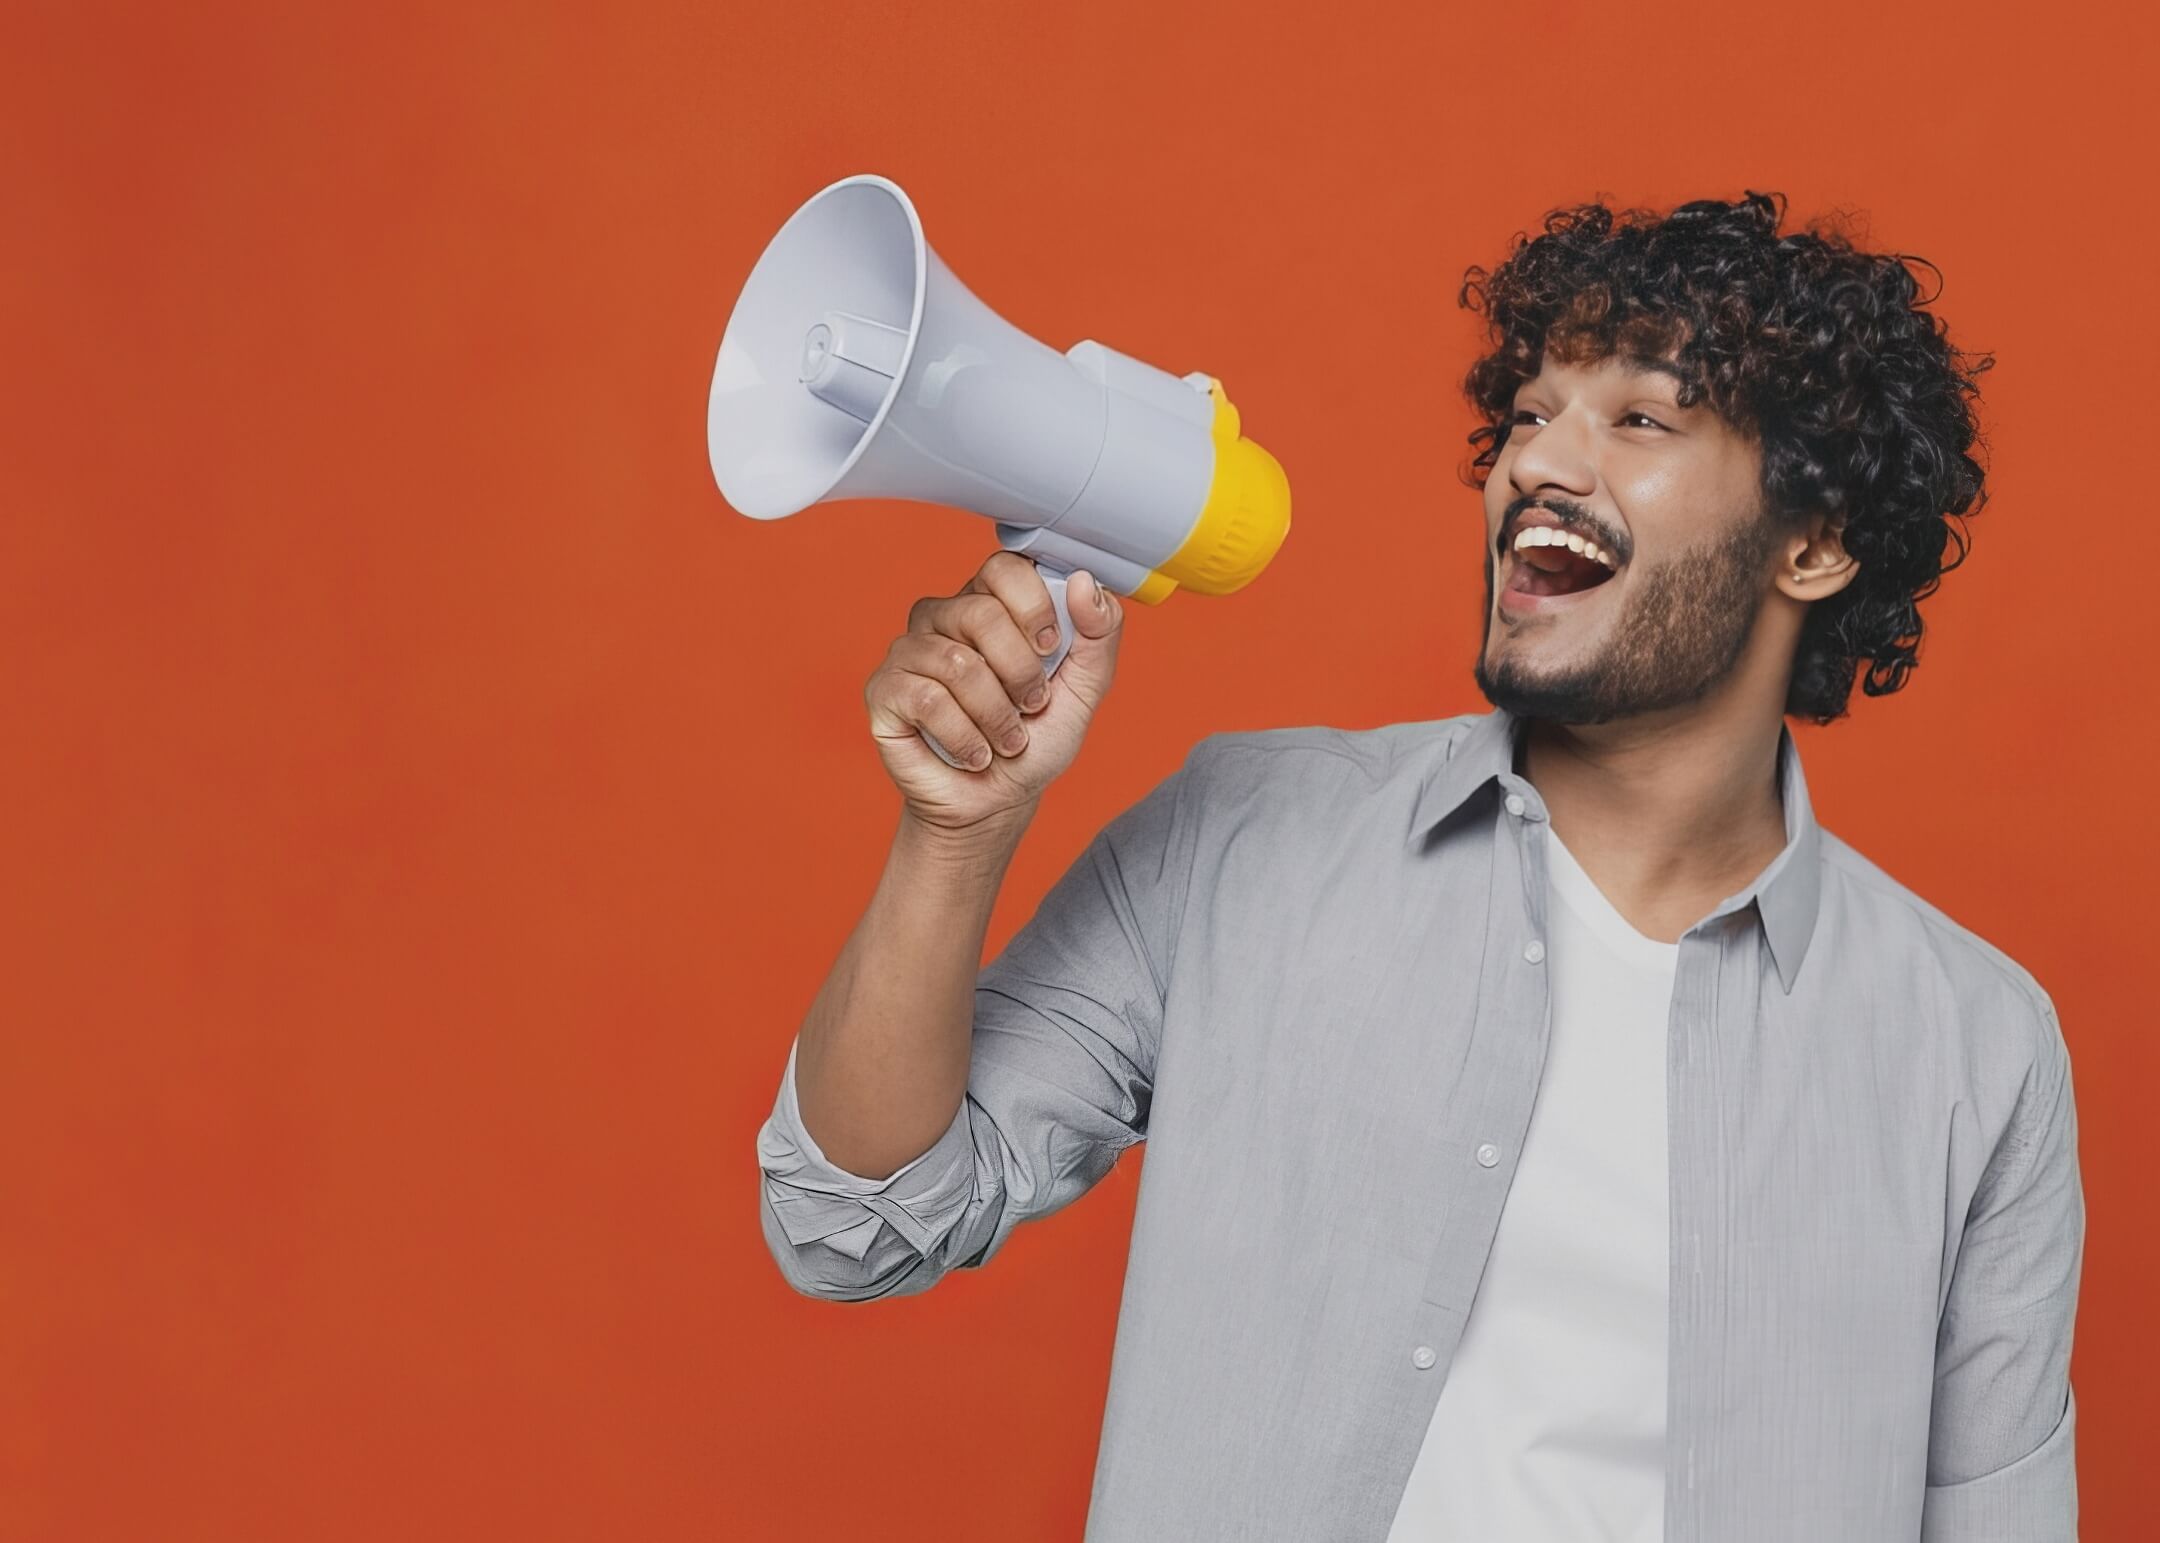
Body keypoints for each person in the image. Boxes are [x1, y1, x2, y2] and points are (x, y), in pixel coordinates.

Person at [753, 191, 2083, 1542]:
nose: (1537, 466)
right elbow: (856, 1221)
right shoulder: (1243, 839)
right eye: (1527, 415)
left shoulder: (1976, 1053)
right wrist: (956, 832)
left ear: (1816, 542)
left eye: (1638, 418)